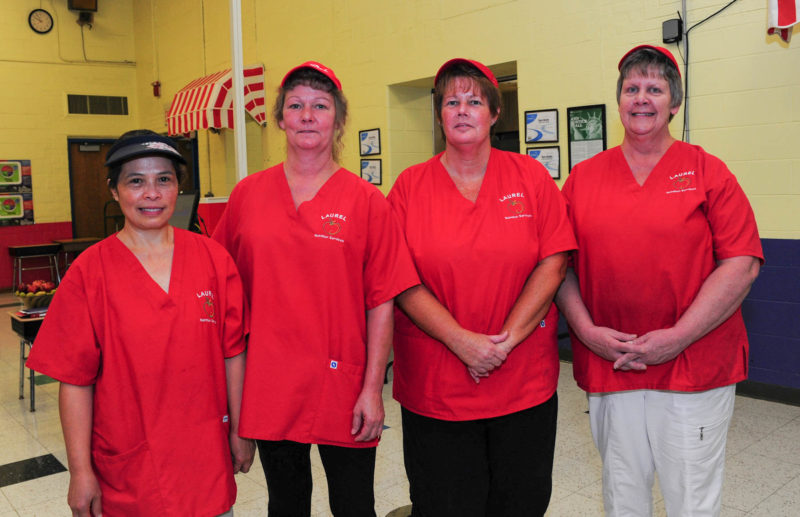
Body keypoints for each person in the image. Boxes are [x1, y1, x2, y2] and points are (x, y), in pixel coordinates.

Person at [556, 45, 763, 516]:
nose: (642, 98)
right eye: (632, 88)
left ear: (675, 102)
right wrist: (587, 333)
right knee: (623, 494)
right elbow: (558, 266)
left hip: (693, 366)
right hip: (612, 364)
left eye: (655, 88)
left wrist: (677, 337)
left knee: (690, 498)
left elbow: (742, 263)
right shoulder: (584, 179)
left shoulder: (708, 171)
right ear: (619, 100)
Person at [212, 61, 419, 517]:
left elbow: (381, 300)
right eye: (297, 105)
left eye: (321, 106)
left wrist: (372, 389)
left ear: (339, 119)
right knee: (285, 505)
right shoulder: (247, 196)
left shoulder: (366, 202)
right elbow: (219, 286)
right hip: (270, 384)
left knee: (353, 505)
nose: (308, 115)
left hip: (342, 383)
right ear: (281, 118)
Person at [26, 129, 254, 517]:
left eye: (163, 179)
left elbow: (234, 353)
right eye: (136, 181)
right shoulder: (89, 273)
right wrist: (80, 471)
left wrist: (239, 431)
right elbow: (74, 380)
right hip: (130, 470)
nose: (152, 193)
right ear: (114, 191)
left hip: (205, 462)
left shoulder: (213, 259)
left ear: (177, 187)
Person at [388, 58, 576, 516]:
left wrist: (502, 343)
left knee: (521, 501)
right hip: (437, 389)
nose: (462, 110)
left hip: (522, 383)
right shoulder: (410, 187)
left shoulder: (530, 178)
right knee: (443, 503)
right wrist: (462, 342)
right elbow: (398, 276)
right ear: (439, 115)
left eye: (475, 101)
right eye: (451, 101)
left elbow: (553, 262)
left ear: (495, 113)